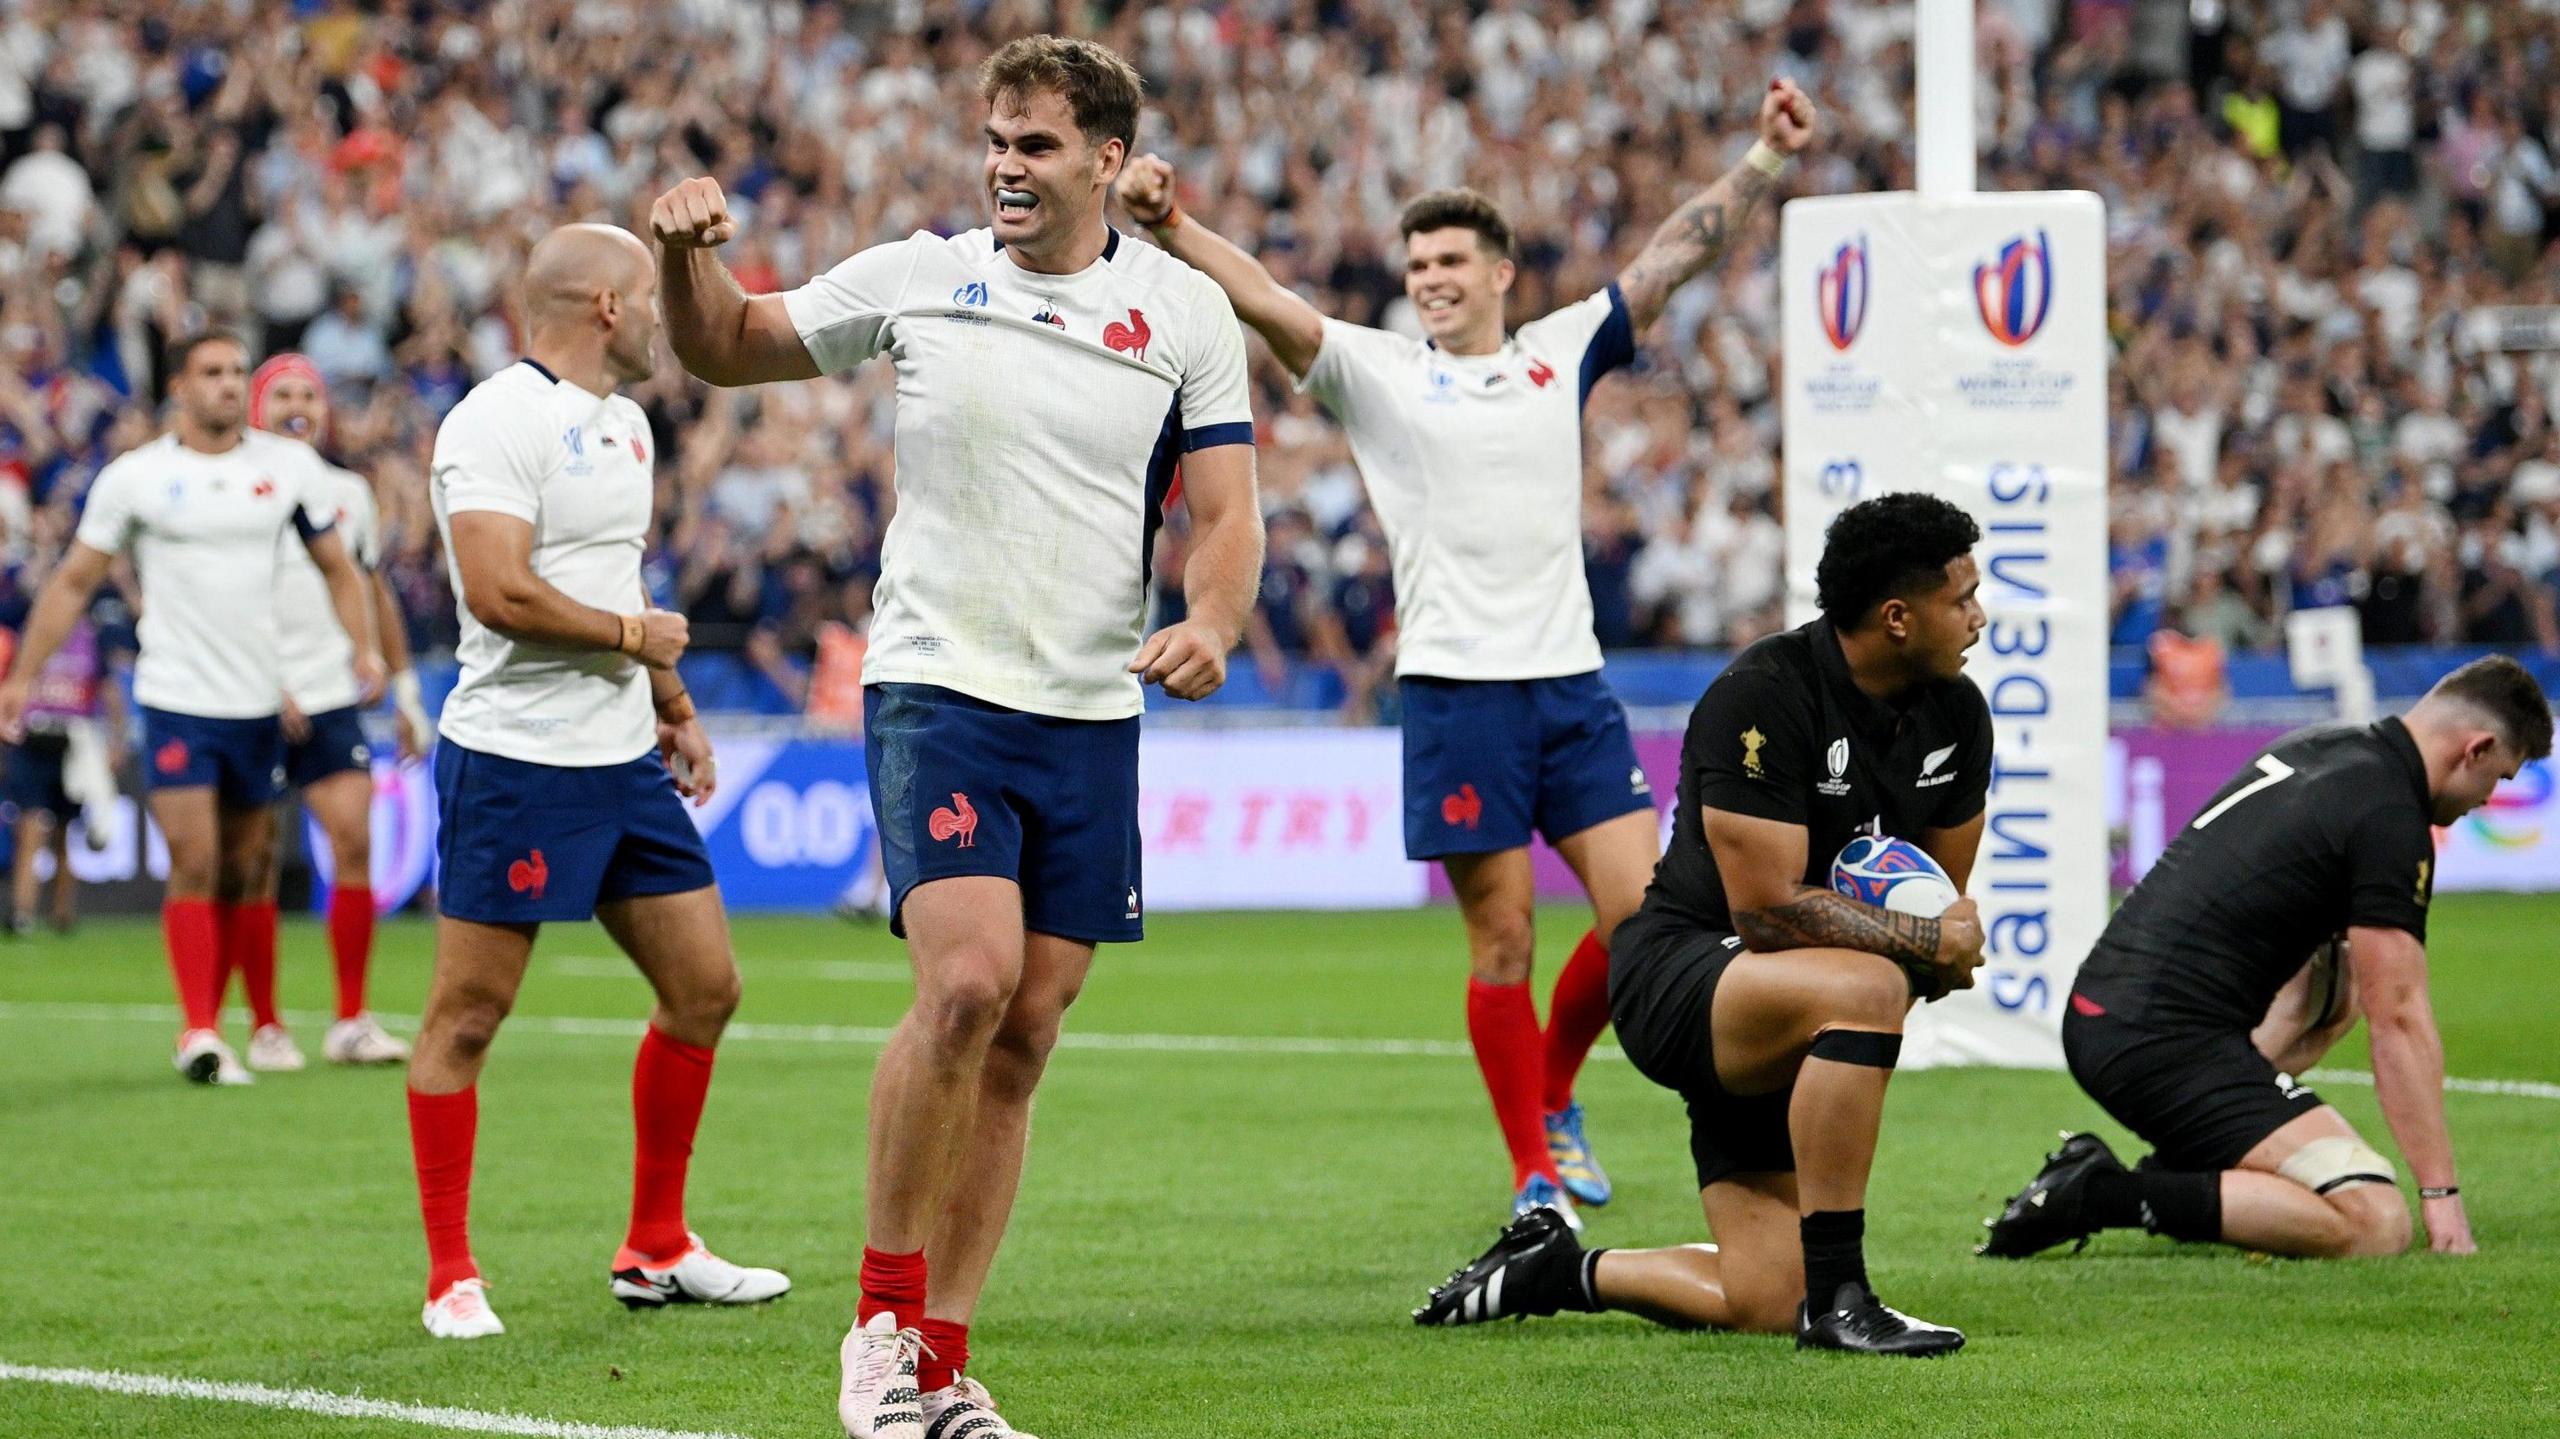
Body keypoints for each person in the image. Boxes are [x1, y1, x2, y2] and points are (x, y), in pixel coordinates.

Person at [653, 34, 1261, 1439]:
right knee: (972, 981)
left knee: (1030, 1027)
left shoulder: (1181, 311)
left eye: (1036, 144)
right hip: (939, 686)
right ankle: (876, 1327)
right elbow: (726, 344)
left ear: (1107, 159)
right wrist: (686, 259)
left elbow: (1226, 513)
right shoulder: (922, 273)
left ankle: (942, 1351)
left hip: (1092, 707)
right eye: (995, 140)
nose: (1005, 167)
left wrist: (1215, 620)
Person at [1118, 76, 1820, 1228]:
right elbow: (1271, 302)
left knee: (1648, 918)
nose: (1432, 280)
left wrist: (1761, 161)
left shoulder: (1560, 349)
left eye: (1451, 261)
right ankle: (1530, 1177)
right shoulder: (1378, 371)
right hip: (1455, 692)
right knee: (1502, 939)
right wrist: (1170, 227)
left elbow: (1667, 258)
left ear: (1498, 271)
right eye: (1417, 266)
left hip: (1569, 686)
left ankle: (1553, 1092)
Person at [1415, 492, 1990, 1356]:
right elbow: (1764, 910)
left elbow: (1935, 898)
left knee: (1761, 1296)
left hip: (1799, 1007)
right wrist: (1921, 947)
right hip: (1681, 972)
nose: (1979, 616)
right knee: (1872, 981)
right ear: (1898, 618)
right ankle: (1844, 1299)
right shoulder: (1762, 695)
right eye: (1963, 599)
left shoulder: (1958, 717)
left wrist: (1942, 941)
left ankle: (1557, 1269)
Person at [405, 224, 788, 1340]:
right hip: (516, 759)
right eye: (654, 300)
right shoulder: (494, 420)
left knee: (706, 987)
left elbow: (615, 577)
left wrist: (670, 701)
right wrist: (632, 634)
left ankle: (657, 1245)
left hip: (621, 759)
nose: (669, 320)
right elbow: (496, 589)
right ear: (609, 308)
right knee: (468, 1016)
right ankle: (450, 1274)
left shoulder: (625, 426)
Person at [1979, 655, 2551, 1261]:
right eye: (2500, 778)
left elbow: (2327, 991)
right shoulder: (2388, 816)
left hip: (2117, 1010)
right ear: (2476, 748)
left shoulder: (2328, 747)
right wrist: (2441, 1196)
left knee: (2337, 990)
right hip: (2160, 1041)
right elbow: (2401, 1018)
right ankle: (2099, 1192)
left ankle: (2182, 1169)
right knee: (2375, 1223)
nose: (2489, 799)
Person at [0, 332, 381, 1085]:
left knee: (244, 867)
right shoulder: (137, 478)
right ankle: (200, 1030)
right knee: (196, 859)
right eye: (212, 373)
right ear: (179, 385)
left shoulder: (288, 469)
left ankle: (246, 1022)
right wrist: (23, 676)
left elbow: (340, 568)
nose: (229, 385)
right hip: (176, 696)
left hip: (257, 699)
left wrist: (361, 649)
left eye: (238, 372)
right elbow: (76, 580)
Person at [240, 352, 428, 1068]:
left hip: (331, 691)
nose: (297, 405)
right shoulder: (235, 487)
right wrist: (265, 680)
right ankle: (264, 1024)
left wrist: (401, 688)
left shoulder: (350, 492)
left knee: (354, 841)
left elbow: (374, 592)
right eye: (282, 393)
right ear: (257, 407)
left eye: (309, 395)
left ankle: (350, 1018)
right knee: (255, 859)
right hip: (249, 692)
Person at [1, 583, 124, 936]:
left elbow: (108, 689)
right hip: (34, 733)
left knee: (64, 831)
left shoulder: (89, 636)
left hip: (74, 738)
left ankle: (62, 912)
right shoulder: (28, 629)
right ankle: (22, 912)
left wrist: (116, 739)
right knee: (30, 825)